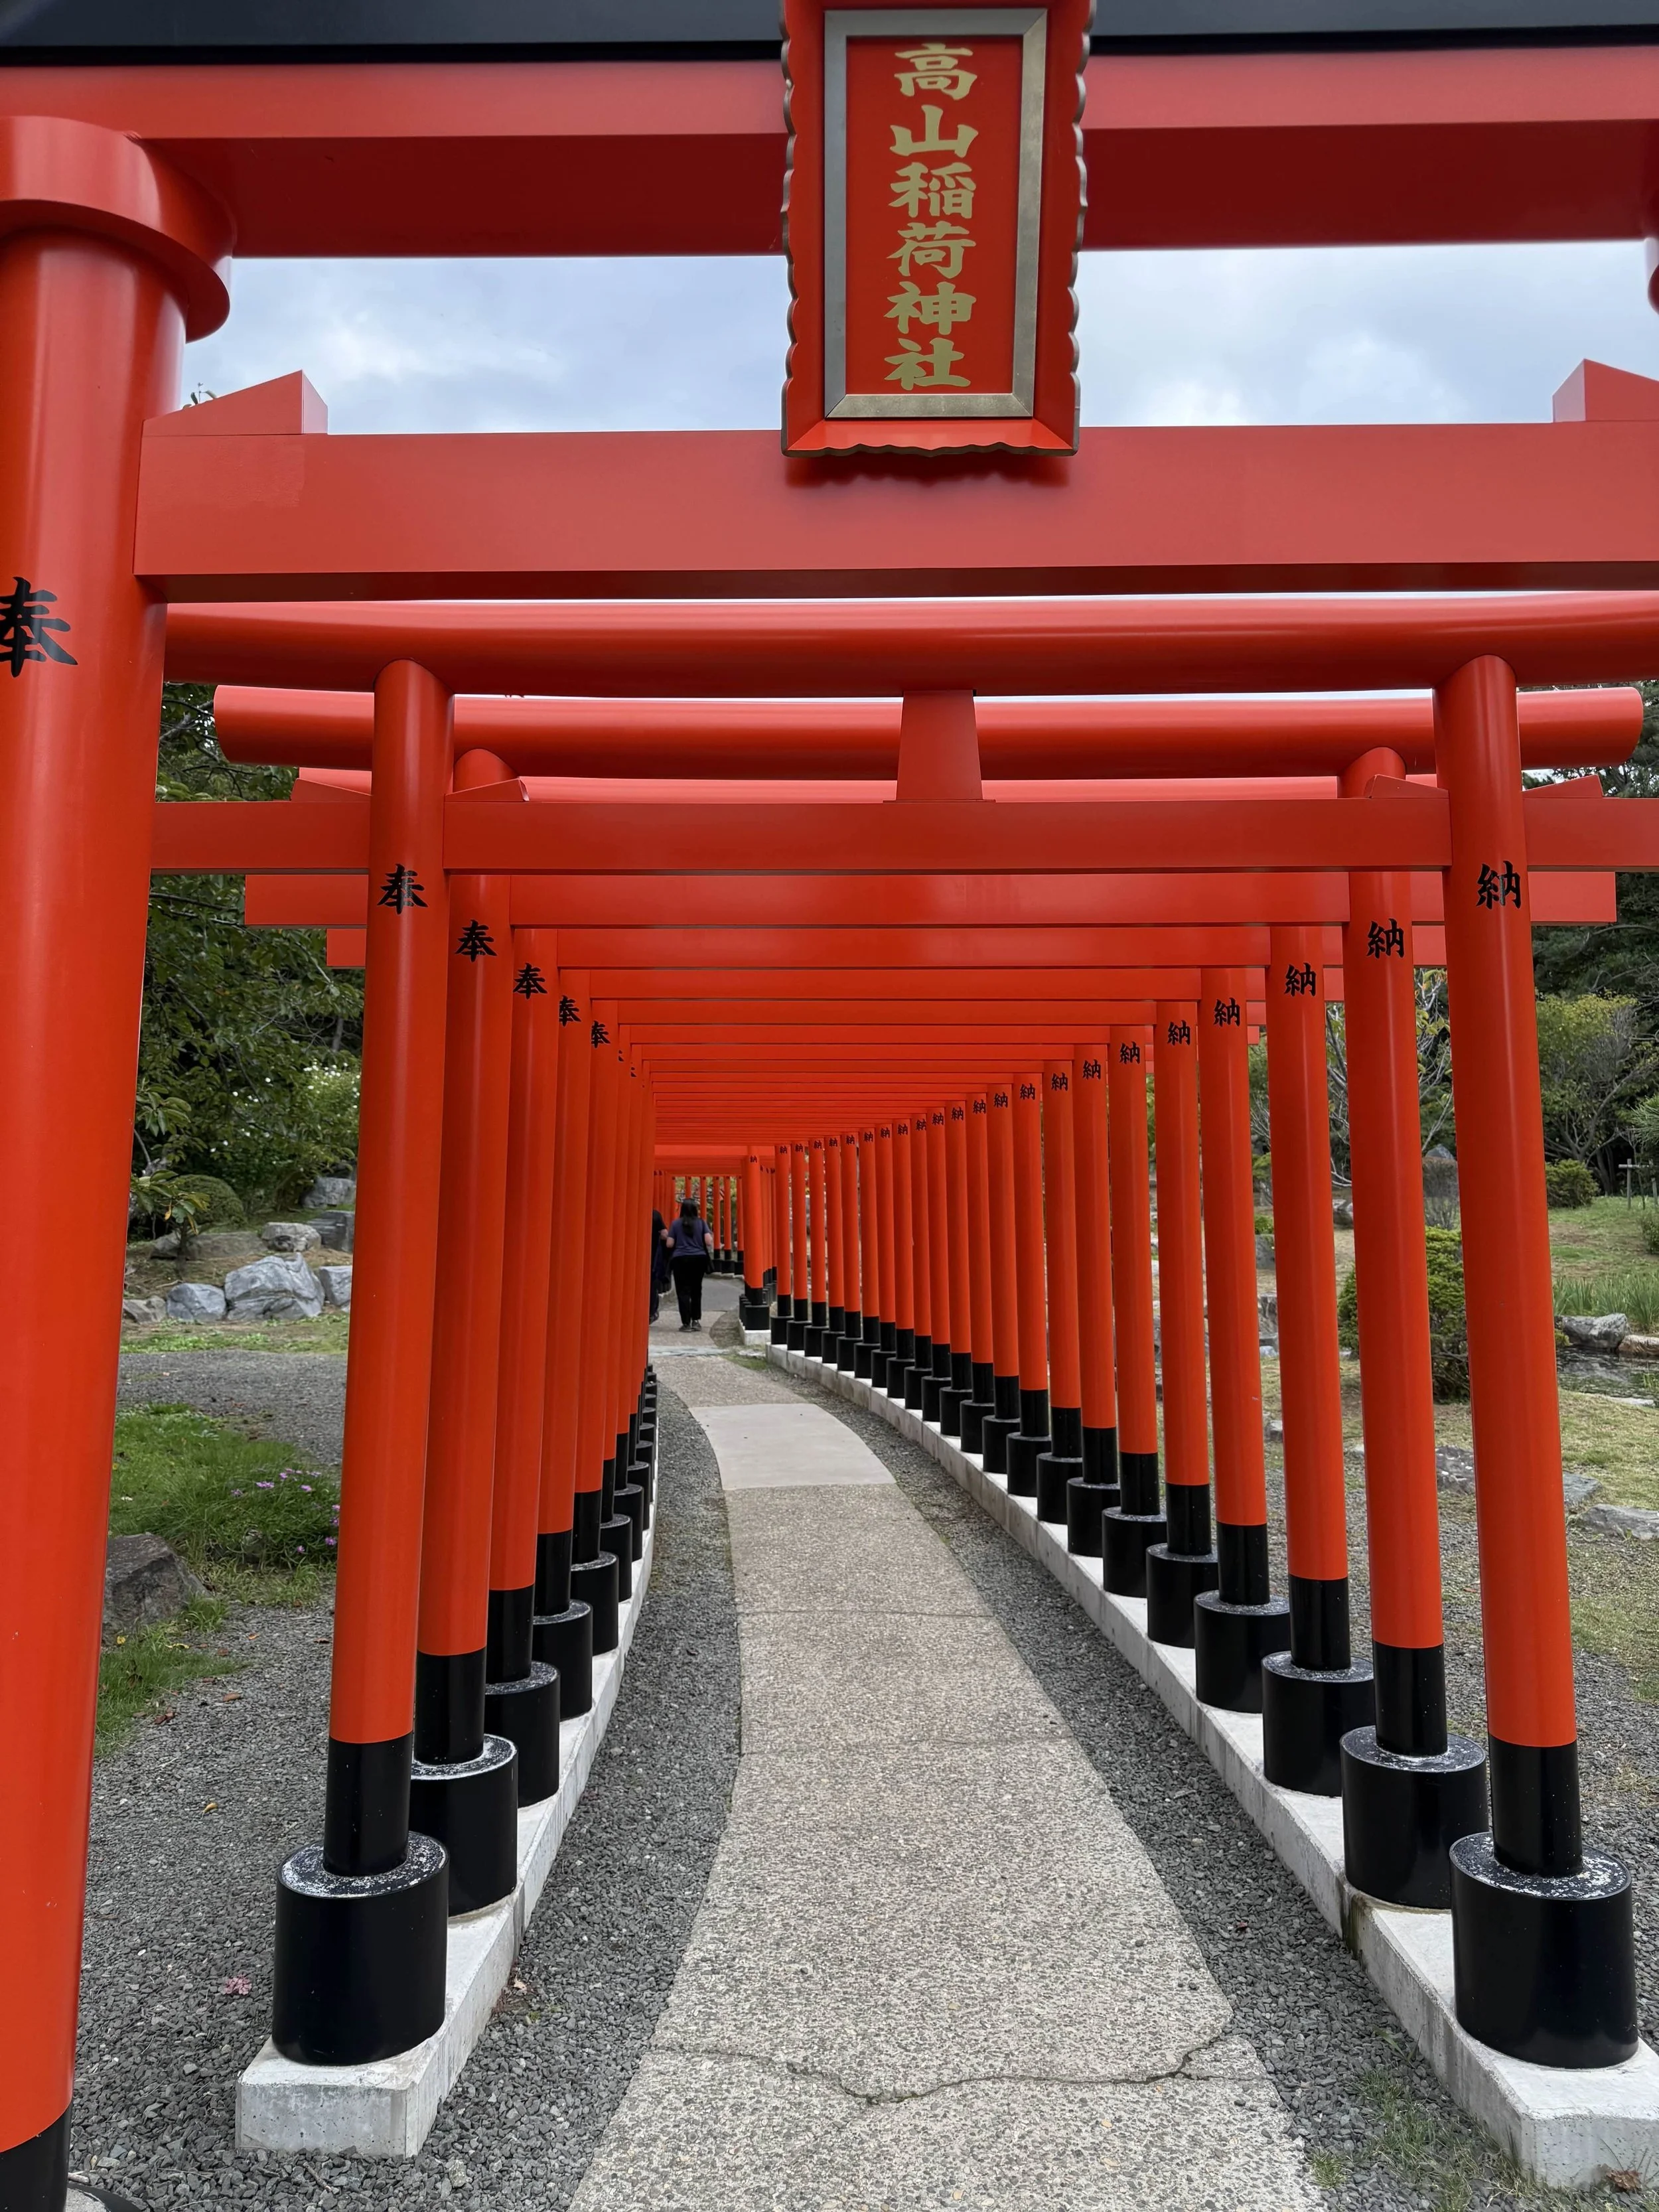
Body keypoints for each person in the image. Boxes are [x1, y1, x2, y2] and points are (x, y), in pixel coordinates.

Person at [666, 1197, 715, 1331]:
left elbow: (669, 1243)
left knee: (682, 1291)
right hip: (699, 1259)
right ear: (695, 1210)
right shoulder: (701, 1223)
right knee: (696, 1290)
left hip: (680, 1259)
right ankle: (696, 1321)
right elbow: (708, 1241)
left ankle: (686, 1323)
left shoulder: (676, 1224)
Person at [649, 1206, 671, 1322]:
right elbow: (665, 1234)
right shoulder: (655, 1215)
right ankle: (651, 1312)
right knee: (652, 1284)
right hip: (652, 1255)